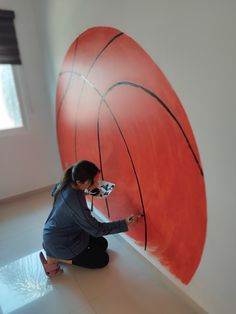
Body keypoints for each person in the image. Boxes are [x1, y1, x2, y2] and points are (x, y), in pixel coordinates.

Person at [40, 160, 142, 277]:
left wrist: (86, 191)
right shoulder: (76, 204)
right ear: (80, 182)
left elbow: (61, 196)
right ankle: (56, 258)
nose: (97, 184)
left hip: (58, 235)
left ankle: (51, 249)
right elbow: (97, 229)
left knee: (102, 244)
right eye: (94, 181)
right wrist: (124, 223)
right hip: (63, 243)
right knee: (103, 259)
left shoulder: (67, 182)